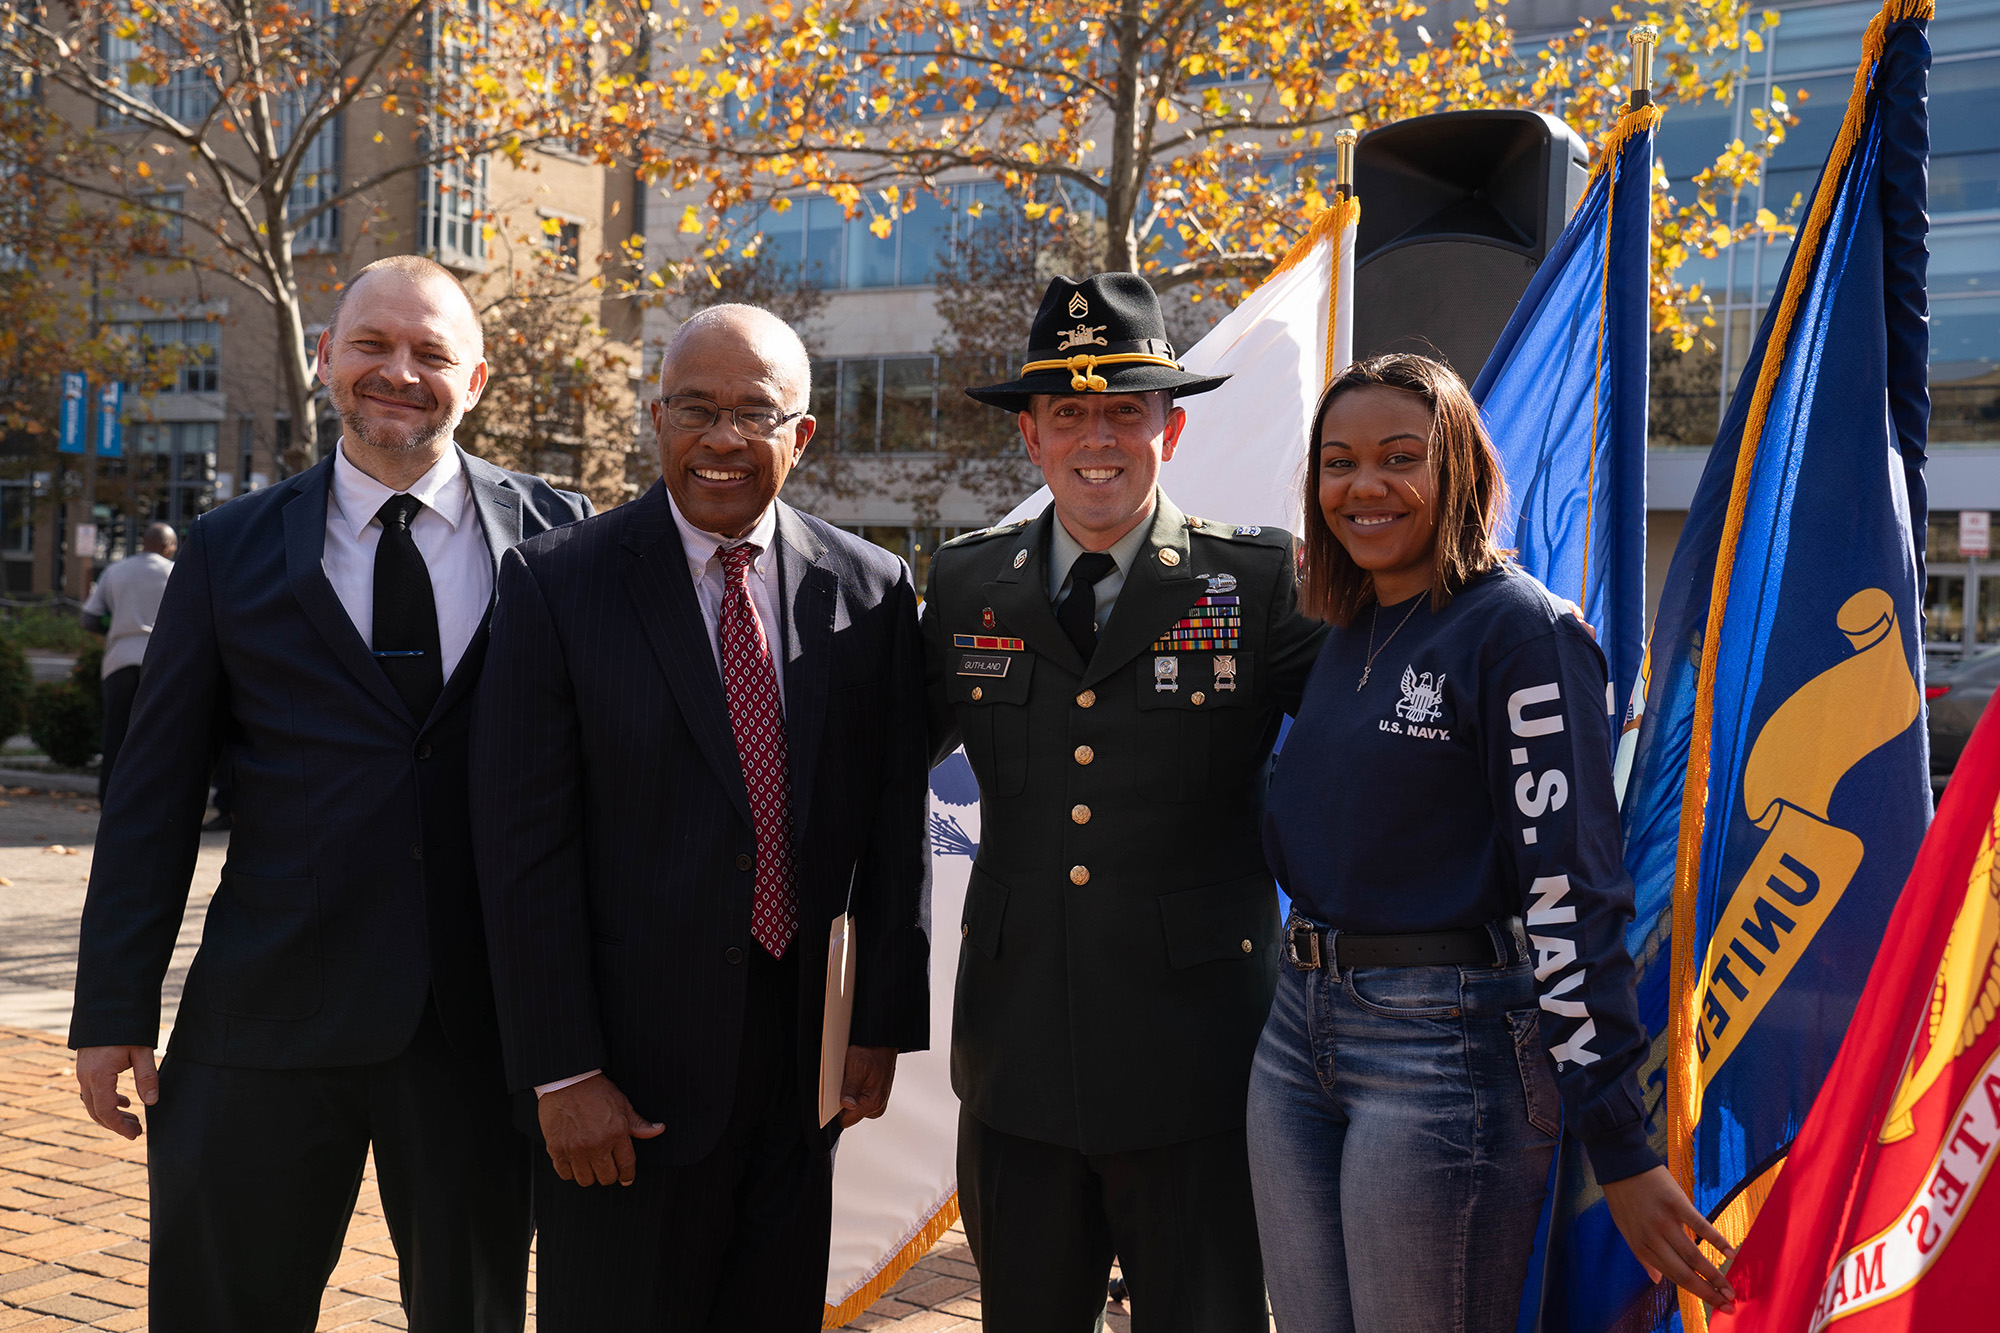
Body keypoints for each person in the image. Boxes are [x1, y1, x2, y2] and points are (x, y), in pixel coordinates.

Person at [68, 254, 592, 1332]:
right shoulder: (227, 548)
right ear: (325, 359)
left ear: (477, 380)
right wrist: (113, 1003)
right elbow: (154, 794)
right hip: (264, 1012)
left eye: (430, 353)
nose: (398, 371)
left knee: (477, 1312)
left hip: (480, 1028)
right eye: (372, 345)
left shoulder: (564, 535)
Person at [1248, 353, 1736, 1333]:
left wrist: (1619, 1143)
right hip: (1297, 1032)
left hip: (1447, 1049)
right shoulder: (1348, 629)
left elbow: (1570, 895)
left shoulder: (1521, 635)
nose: (1362, 485)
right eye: (1336, 463)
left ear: (1459, 470)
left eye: (1399, 457)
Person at [472, 304, 932, 1331]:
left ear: (800, 434)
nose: (721, 438)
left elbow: (893, 824)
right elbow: (518, 846)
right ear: (655, 418)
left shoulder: (871, 591)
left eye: (753, 413)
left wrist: (880, 1025)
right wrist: (563, 1069)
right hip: (622, 1086)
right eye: (695, 409)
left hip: (799, 1075)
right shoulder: (556, 583)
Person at [924, 273, 1327, 1333]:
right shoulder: (967, 586)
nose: (1094, 437)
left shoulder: (1256, 583)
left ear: (1171, 429)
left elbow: (1372, 723)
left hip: (1196, 1065)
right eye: (1067, 413)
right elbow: (863, 761)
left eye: (1122, 410)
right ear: (1031, 440)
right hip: (1019, 1062)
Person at [80, 521, 177, 801]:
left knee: (115, 735)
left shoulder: (116, 570)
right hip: (160, 662)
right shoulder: (175, 572)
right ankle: (151, 800)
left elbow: (89, 619)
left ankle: (108, 798)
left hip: (119, 659)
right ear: (168, 547)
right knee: (157, 735)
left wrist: (114, 627)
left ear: (144, 543)